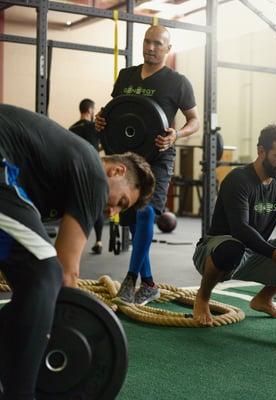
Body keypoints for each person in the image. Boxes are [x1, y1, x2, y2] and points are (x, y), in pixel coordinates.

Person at [0, 104, 155, 400]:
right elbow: (65, 272)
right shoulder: (94, 174)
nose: (112, 212)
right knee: (45, 272)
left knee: (32, 276)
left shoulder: (53, 178)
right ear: (117, 170)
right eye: (121, 202)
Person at [96, 25, 200, 306]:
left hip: (158, 157)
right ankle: (150, 284)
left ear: (168, 48)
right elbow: (117, 110)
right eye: (147, 41)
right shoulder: (126, 75)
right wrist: (102, 120)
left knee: (145, 213)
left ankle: (131, 279)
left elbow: (194, 120)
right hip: (127, 158)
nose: (150, 47)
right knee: (130, 218)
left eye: (157, 43)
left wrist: (177, 134)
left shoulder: (177, 82)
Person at [192, 124, 276, 326]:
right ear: (261, 151)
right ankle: (203, 297)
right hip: (217, 250)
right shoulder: (238, 180)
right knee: (233, 248)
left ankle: (264, 299)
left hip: (255, 251)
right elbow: (240, 229)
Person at [69, 98, 104, 254]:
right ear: (90, 110)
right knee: (97, 205)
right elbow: (102, 144)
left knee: (75, 206)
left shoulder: (71, 129)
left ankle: (75, 243)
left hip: (75, 171)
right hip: (93, 170)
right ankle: (99, 241)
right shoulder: (93, 127)